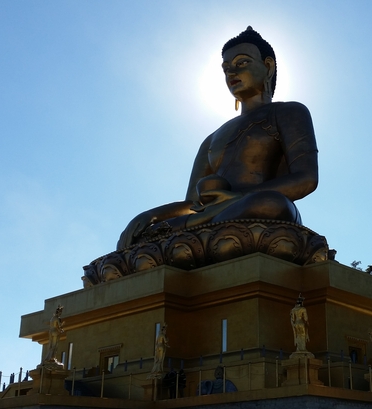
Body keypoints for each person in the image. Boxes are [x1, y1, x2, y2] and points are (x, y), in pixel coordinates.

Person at [117, 27, 319, 250]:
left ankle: (188, 238)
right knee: (142, 234)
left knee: (271, 204)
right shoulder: (211, 139)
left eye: (242, 63)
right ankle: (191, 237)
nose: (232, 72)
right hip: (212, 219)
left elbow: (306, 179)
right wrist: (150, 215)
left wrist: (235, 197)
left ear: (268, 66)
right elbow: (194, 203)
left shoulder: (289, 112)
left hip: (257, 211)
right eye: (226, 68)